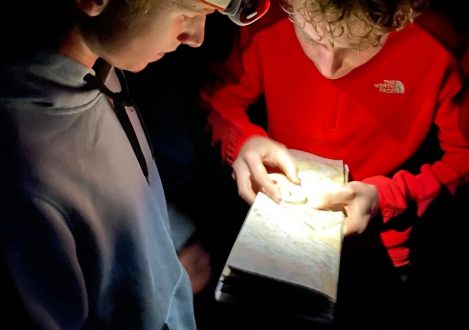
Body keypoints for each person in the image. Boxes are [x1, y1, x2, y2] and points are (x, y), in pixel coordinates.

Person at [0, 0, 271, 329]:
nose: (197, 37)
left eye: (209, 14)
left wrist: (164, 249)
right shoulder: (27, 165)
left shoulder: (102, 71)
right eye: (188, 11)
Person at [201, 0, 469, 327]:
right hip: (273, 243)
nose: (329, 67)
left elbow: (463, 158)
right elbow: (220, 98)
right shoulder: (264, 20)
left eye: (359, 45)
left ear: (399, 20)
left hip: (383, 252)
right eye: (311, 37)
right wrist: (241, 141)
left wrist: (388, 199)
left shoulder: (437, 42)